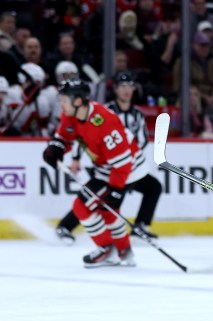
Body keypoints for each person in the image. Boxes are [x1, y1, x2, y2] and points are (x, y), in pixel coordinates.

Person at [42, 79, 147, 267]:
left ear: (78, 101)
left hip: (129, 168)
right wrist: (56, 148)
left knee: (82, 206)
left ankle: (107, 249)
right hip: (106, 168)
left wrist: (115, 189)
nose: (61, 104)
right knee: (107, 209)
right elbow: (64, 136)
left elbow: (122, 163)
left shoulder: (104, 121)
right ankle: (124, 251)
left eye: (64, 99)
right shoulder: (71, 114)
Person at [54, 72, 161, 245]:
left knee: (152, 187)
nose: (127, 90)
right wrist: (75, 157)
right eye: (123, 87)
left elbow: (142, 141)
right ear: (116, 90)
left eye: (130, 86)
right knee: (97, 196)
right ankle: (68, 227)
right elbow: (85, 135)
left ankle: (139, 227)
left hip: (128, 165)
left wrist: (127, 158)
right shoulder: (103, 111)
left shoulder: (137, 114)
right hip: (110, 166)